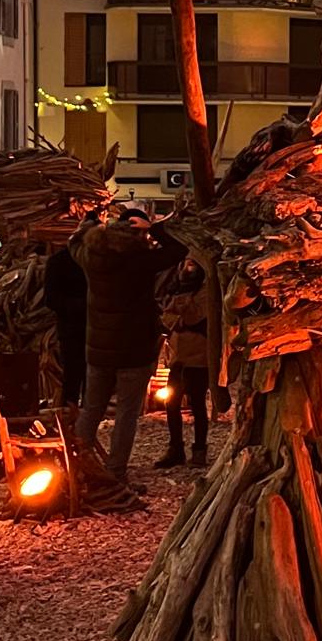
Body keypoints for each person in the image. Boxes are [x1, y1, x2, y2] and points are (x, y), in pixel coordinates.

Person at [70, 206, 186, 480]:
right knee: (126, 414)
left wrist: (90, 222)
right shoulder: (141, 260)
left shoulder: (91, 256)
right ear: (138, 233)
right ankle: (116, 471)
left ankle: (74, 466)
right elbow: (178, 249)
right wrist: (154, 227)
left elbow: (73, 241)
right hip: (135, 349)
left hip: (98, 349)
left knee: (92, 408)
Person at [155, 258, 210, 470]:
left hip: (198, 357)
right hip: (178, 356)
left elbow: (194, 317)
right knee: (172, 403)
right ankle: (175, 448)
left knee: (197, 404)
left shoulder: (205, 292)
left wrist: (180, 316)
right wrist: (178, 317)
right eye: (185, 264)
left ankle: (199, 450)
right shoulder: (176, 288)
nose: (188, 268)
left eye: (192, 264)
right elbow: (168, 318)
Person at [43, 242, 88, 407]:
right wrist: (82, 305)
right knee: (73, 376)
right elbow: (51, 298)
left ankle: (81, 420)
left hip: (90, 330)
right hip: (73, 329)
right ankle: (70, 417)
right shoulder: (61, 261)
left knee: (87, 378)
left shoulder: (96, 259)